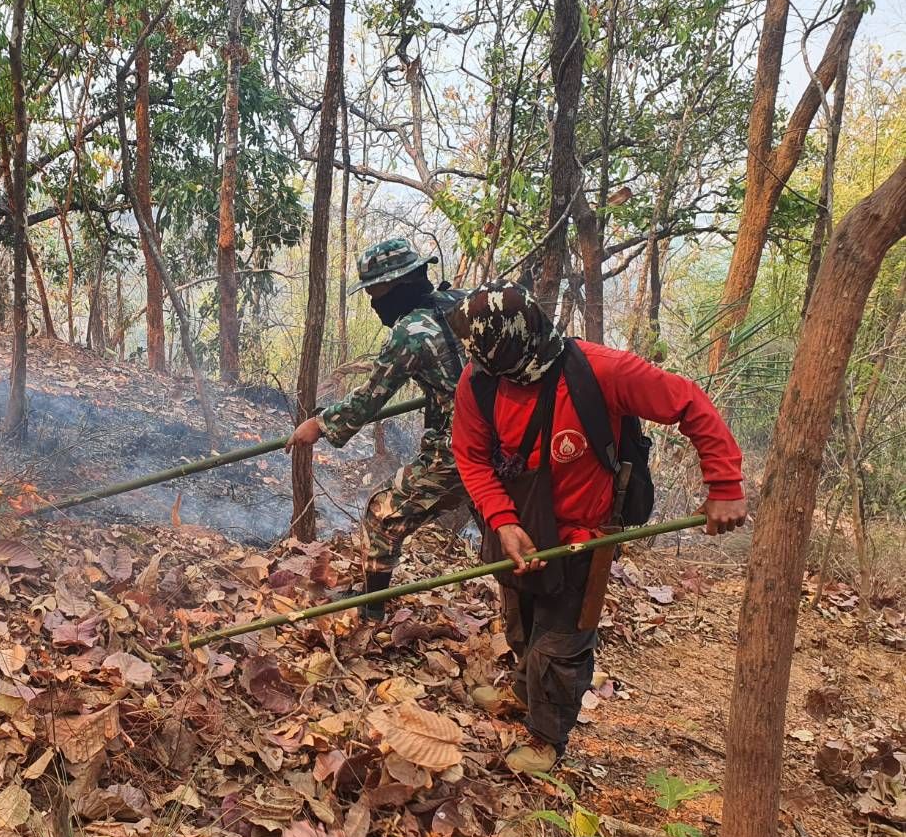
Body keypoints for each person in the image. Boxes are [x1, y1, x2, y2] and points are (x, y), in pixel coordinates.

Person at [448, 281, 747, 775]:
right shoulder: (479, 381)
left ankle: (547, 737)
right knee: (521, 619)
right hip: (518, 526)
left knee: (560, 641)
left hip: (583, 536)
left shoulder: (599, 371)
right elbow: (472, 457)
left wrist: (725, 484)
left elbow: (689, 403)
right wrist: (502, 521)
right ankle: (523, 692)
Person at [287, 239, 468, 619]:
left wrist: (319, 424)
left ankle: (371, 613)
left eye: (375, 293)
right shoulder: (459, 303)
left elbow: (370, 397)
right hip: (510, 437)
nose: (373, 303)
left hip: (463, 449)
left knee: (382, 515)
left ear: (398, 284)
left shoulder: (410, 332)